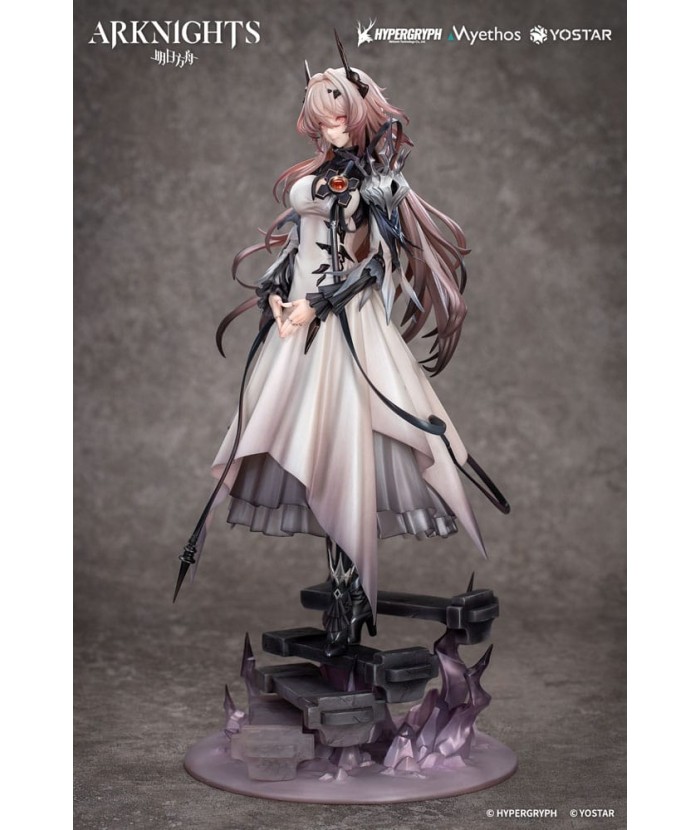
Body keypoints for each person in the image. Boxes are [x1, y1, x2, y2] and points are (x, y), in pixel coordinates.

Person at [175, 34, 509, 657]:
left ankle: (350, 595)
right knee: (307, 442)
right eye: (320, 114)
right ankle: (342, 590)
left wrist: (317, 303)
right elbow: (296, 247)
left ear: (359, 115)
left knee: (347, 450)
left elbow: (375, 265)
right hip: (298, 330)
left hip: (346, 330)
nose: (329, 124)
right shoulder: (313, 176)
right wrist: (278, 295)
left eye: (338, 113)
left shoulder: (378, 184)